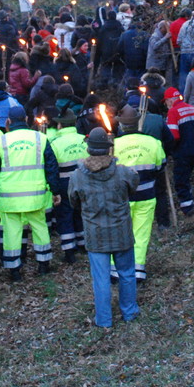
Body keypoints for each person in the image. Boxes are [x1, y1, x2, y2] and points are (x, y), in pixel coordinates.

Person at [68, 128, 140, 328]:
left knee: (101, 279)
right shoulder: (123, 171)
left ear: (89, 149)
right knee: (126, 273)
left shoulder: (77, 176)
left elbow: (73, 202)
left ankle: (104, 320)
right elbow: (134, 185)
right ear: (108, 149)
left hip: (95, 235)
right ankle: (129, 312)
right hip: (121, 232)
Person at [0, 106, 65, 280]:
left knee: (11, 231)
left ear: (9, 121)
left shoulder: (1, 142)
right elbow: (51, 167)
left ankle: (14, 270)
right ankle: (43, 264)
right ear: (27, 120)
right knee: (40, 227)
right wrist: (55, 190)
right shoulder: (40, 138)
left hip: (9, 197)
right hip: (35, 196)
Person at [114, 105, 166, 282]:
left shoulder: (113, 145)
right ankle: (138, 270)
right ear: (138, 122)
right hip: (146, 195)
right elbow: (161, 166)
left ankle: (115, 270)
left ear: (121, 125)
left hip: (121, 198)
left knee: (120, 232)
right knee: (141, 233)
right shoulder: (153, 143)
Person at [49, 109, 88, 263]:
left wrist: (54, 189)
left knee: (64, 215)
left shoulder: (55, 144)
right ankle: (83, 244)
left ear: (60, 125)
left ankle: (69, 251)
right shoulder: (84, 139)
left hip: (65, 182)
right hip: (84, 181)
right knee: (80, 212)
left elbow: (52, 168)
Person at [163, 87, 194, 217]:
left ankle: (187, 208)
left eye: (166, 101)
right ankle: (189, 202)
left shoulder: (173, 112)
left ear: (170, 100)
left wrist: (167, 150)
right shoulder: (192, 108)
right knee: (186, 176)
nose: (166, 104)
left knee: (180, 179)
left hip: (182, 151)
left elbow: (173, 136)